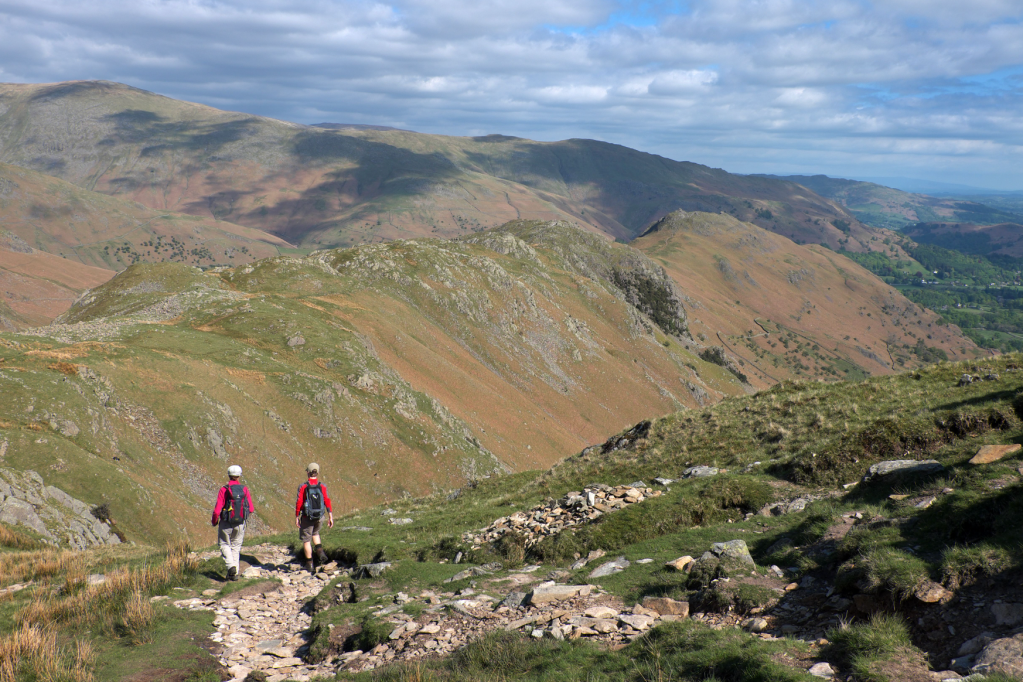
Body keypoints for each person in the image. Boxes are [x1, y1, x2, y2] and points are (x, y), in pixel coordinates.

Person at [211, 464, 254, 581]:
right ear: (239, 475)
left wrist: (215, 521)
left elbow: (217, 510)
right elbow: (251, 509)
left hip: (226, 522)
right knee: (236, 546)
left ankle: (231, 567)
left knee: (224, 544)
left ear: (229, 475)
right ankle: (234, 574)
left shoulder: (224, 489)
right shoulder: (244, 489)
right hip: (240, 523)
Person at [295, 462, 334, 572]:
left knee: (307, 540)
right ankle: (320, 552)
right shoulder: (322, 486)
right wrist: (330, 515)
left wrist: (297, 516)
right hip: (320, 516)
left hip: (307, 517)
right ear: (318, 472)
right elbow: (327, 500)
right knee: (315, 533)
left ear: (308, 472)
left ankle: (309, 564)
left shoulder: (303, 486)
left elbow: (299, 502)